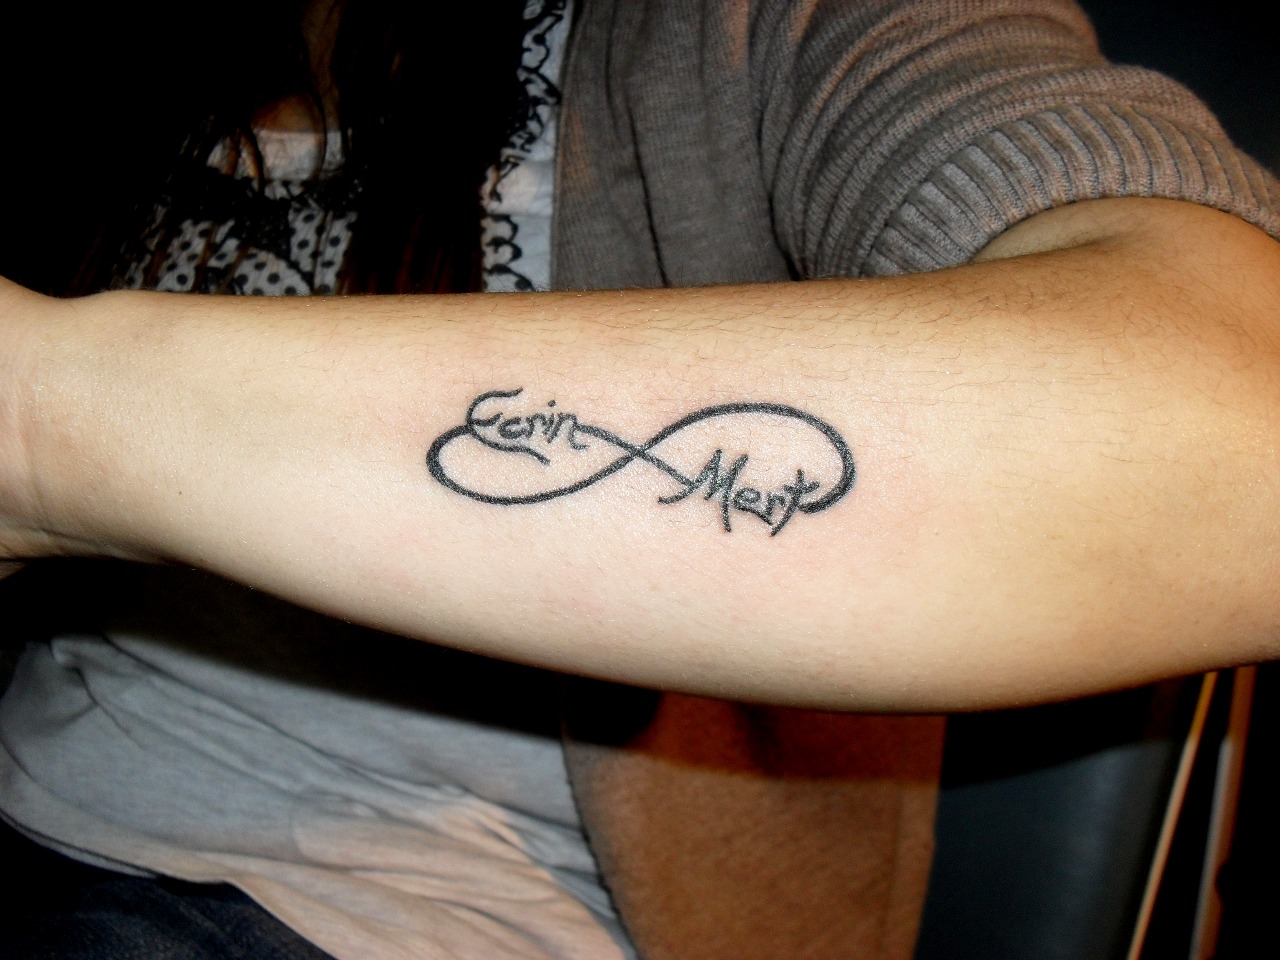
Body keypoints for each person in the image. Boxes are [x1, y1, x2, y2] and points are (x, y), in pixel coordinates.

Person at [1, 0, 1278, 958]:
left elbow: (1233, 436)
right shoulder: (125, 71)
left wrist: (51, 427)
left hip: (416, 901)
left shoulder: (753, 29)